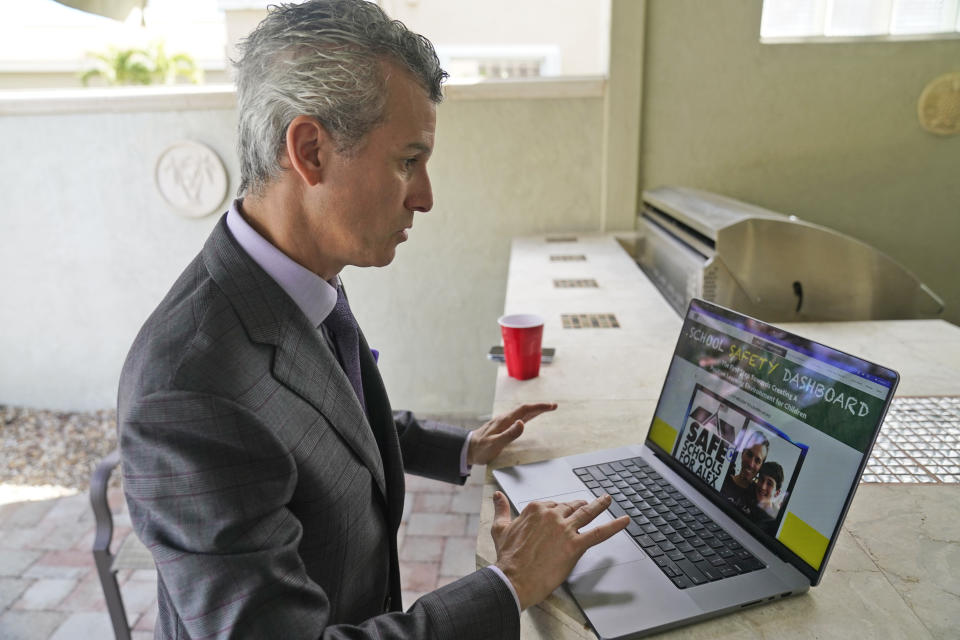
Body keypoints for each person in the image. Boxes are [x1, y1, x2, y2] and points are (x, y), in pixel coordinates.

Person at [117, 1, 628, 638]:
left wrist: (463, 447)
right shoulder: (188, 390)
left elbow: (326, 416)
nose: (426, 196)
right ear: (310, 151)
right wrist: (509, 582)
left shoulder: (299, 275)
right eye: (407, 161)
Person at [719, 430, 769, 510]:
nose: (751, 464)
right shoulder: (722, 480)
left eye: (757, 460)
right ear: (742, 453)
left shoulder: (758, 498)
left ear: (761, 467)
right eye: (749, 454)